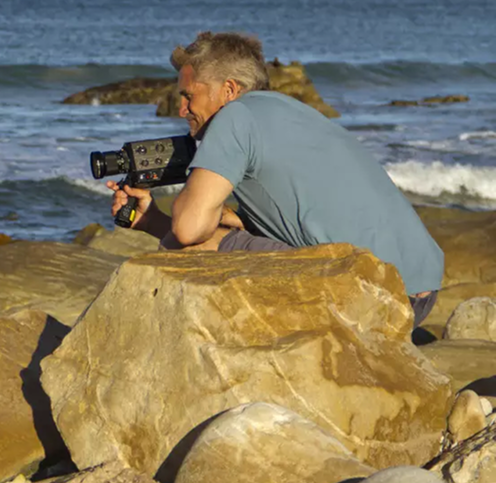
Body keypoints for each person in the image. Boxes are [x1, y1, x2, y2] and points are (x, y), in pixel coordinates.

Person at [109, 31, 444, 326]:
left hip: (373, 294)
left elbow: (188, 230)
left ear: (228, 90)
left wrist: (176, 220)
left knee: (183, 246)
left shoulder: (235, 116)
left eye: (188, 96)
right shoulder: (291, 111)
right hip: (420, 290)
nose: (181, 109)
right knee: (219, 229)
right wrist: (151, 220)